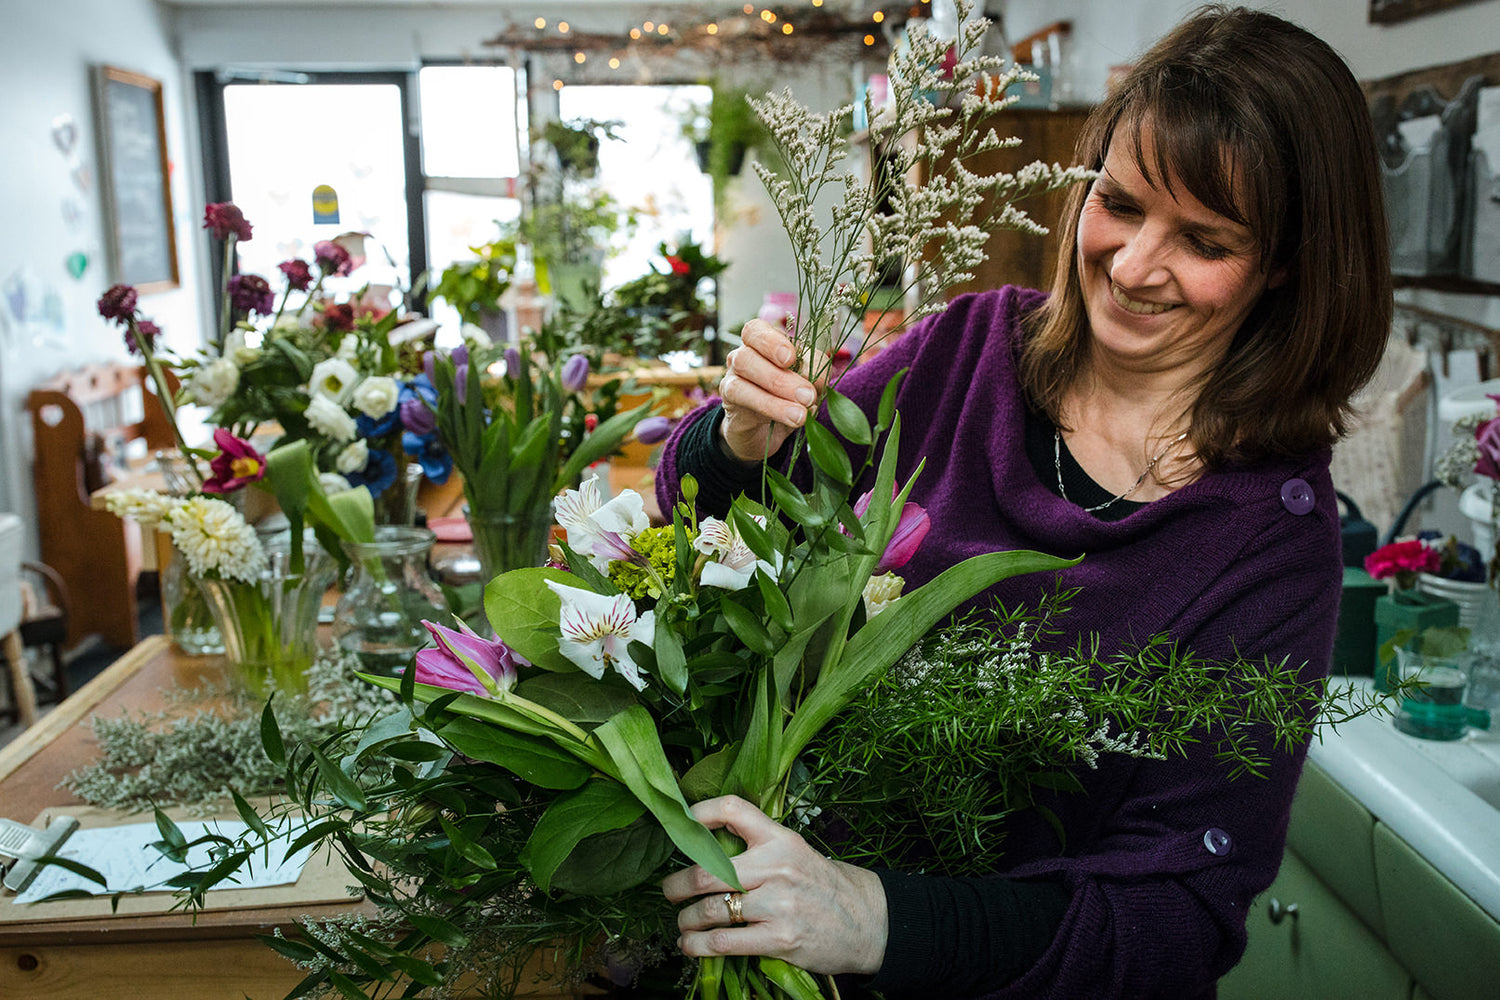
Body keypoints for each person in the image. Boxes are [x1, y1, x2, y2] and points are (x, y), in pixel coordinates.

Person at [654, 6, 1392, 999]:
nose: (1132, 268)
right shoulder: (969, 353)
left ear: (1288, 266)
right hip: (773, 932)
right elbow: (712, 526)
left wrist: (873, 915)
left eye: (1204, 238)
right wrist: (738, 441)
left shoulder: (1266, 546)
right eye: (1122, 204)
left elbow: (1174, 917)